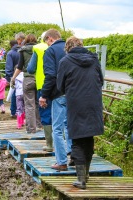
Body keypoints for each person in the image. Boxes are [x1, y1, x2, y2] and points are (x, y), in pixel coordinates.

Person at [57, 36, 104, 189]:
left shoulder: (65, 61)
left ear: (67, 48)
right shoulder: (94, 59)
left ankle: (81, 180)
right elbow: (101, 80)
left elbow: (60, 86)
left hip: (76, 103)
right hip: (94, 103)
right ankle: (87, 174)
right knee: (89, 138)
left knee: (77, 139)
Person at [39, 29, 72, 170]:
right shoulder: (69, 49)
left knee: (57, 129)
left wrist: (44, 95)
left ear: (50, 39)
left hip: (58, 94)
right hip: (73, 92)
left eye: (46, 41)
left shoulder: (50, 52)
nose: (46, 44)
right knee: (69, 125)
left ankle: (61, 161)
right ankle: (72, 154)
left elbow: (50, 75)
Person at [27, 32, 53, 152]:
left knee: (46, 113)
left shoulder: (38, 48)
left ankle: (49, 144)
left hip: (43, 85)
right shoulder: (61, 47)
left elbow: (31, 69)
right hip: (60, 86)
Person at [11, 34, 42, 133]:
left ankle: (31, 129)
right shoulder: (40, 50)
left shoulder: (23, 50)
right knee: (38, 103)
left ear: (26, 41)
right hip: (39, 79)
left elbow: (19, 67)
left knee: (29, 104)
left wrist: (13, 78)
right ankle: (40, 125)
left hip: (28, 79)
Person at [5, 40, 20, 118]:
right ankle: (21, 111)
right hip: (24, 75)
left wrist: (8, 78)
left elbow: (9, 67)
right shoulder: (22, 51)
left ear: (11, 45)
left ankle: (13, 111)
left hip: (15, 75)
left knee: (14, 93)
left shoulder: (10, 53)